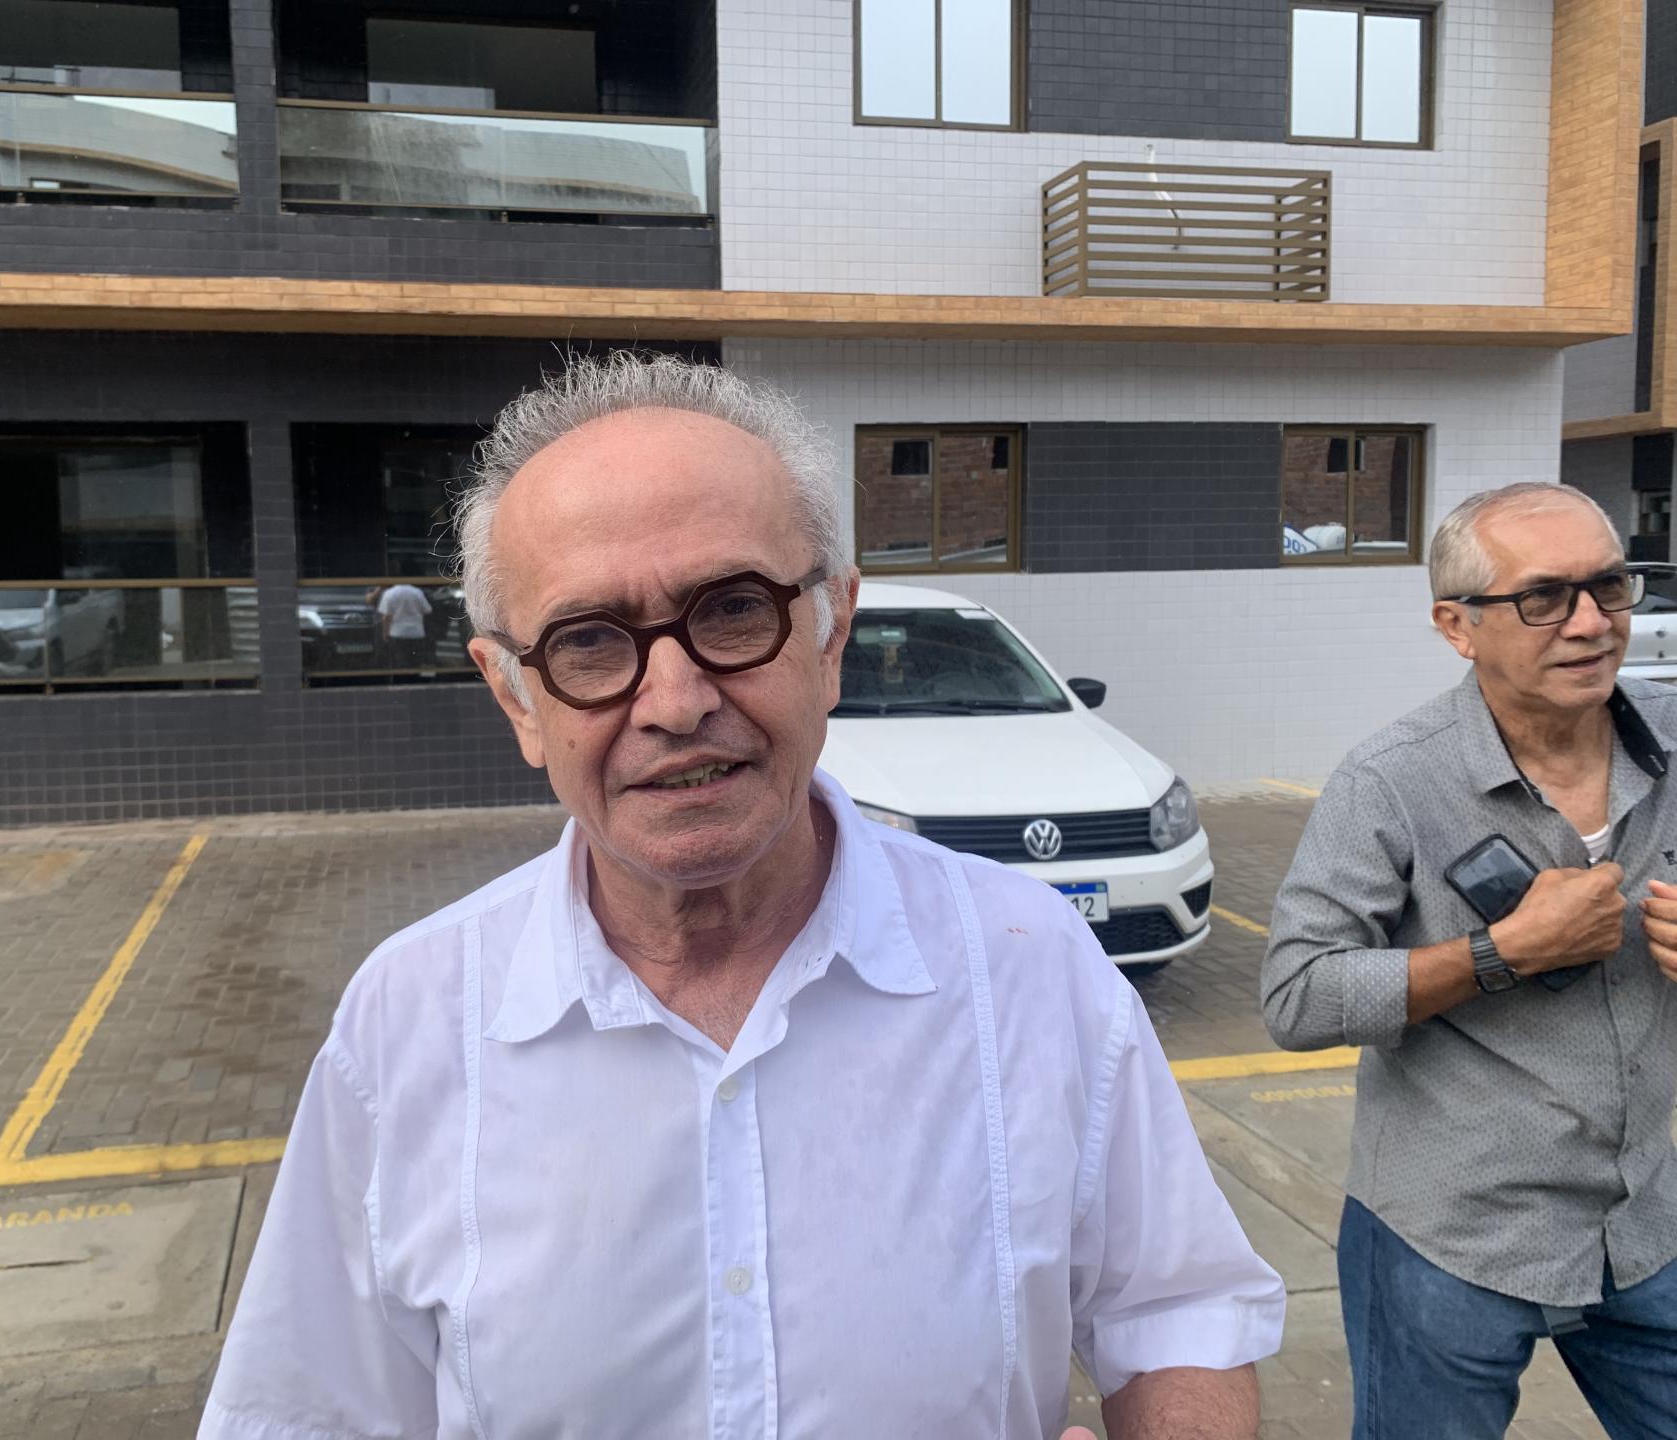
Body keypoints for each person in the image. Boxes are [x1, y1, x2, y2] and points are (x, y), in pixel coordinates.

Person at [201, 353, 1283, 1440]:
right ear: (517, 698)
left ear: (831, 635)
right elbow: (303, 1416)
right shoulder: (407, 1025)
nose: (675, 702)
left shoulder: (1031, 965)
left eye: (731, 610)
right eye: (588, 642)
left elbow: (1176, 1308)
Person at [1263, 482, 1677, 1438]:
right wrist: (1502, 953)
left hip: (1642, 1222)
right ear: (1457, 626)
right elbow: (1296, 995)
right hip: (1449, 1239)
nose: (1591, 623)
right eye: (1544, 598)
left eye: (1610, 586)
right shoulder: (1391, 781)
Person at [375, 580, 432, 668]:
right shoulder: (417, 592)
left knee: (399, 663)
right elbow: (427, 610)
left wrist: (385, 633)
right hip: (416, 633)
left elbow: (386, 617)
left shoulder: (389, 593)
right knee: (416, 663)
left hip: (397, 634)